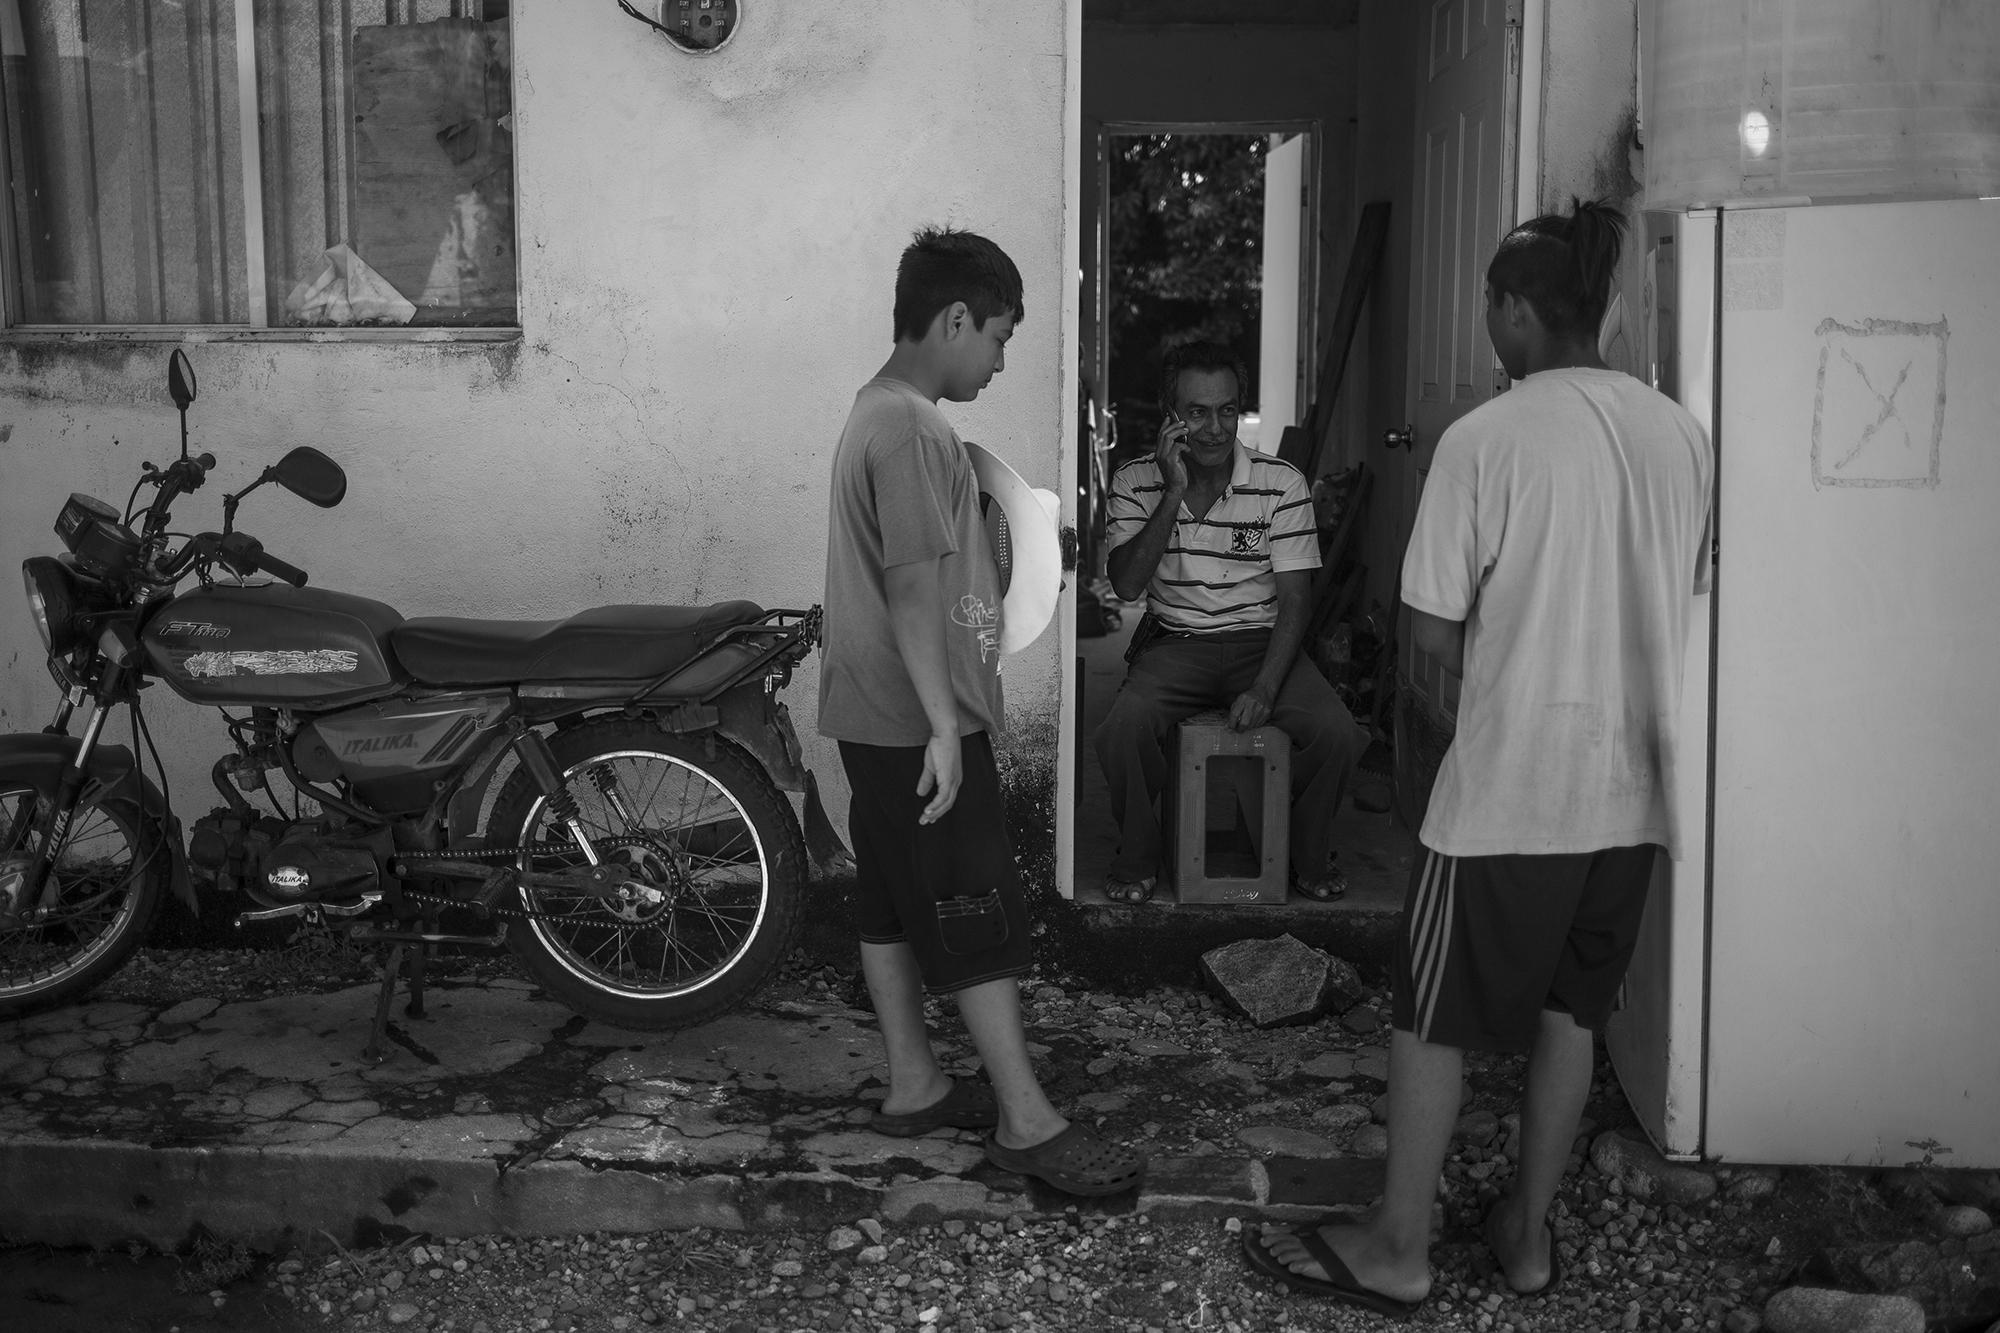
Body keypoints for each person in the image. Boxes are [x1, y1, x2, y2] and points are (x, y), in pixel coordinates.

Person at [1241, 200, 1714, 1314]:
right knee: (1570, 1015)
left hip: (1512, 792)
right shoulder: (1676, 433)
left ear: (1509, 308)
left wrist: (1438, 771)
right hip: (1636, 787)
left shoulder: (1486, 438)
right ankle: (1525, 1235)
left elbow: (1426, 642)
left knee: (1430, 1013)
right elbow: (1674, 595)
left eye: (1488, 308)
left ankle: (1399, 1243)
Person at [818, 225, 1145, 1197]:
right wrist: (944, 730)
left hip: (866, 715)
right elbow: (914, 591)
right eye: (998, 336)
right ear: (954, 318)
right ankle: (1026, 1122)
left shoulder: (874, 409)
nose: (1002, 357)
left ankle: (914, 1082)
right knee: (977, 912)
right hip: (919, 722)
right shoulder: (913, 429)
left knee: (885, 900)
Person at [1093, 340, 1367, 904]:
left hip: (1262, 645)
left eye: (1227, 410)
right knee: (1123, 729)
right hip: (1175, 643)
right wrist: (1173, 492)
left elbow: (1295, 601)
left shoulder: (1281, 482)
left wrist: (1266, 687)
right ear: (1171, 417)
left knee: (1338, 734)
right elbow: (1124, 586)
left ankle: (1306, 856)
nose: (1215, 429)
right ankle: (1139, 856)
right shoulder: (1134, 481)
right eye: (1196, 412)